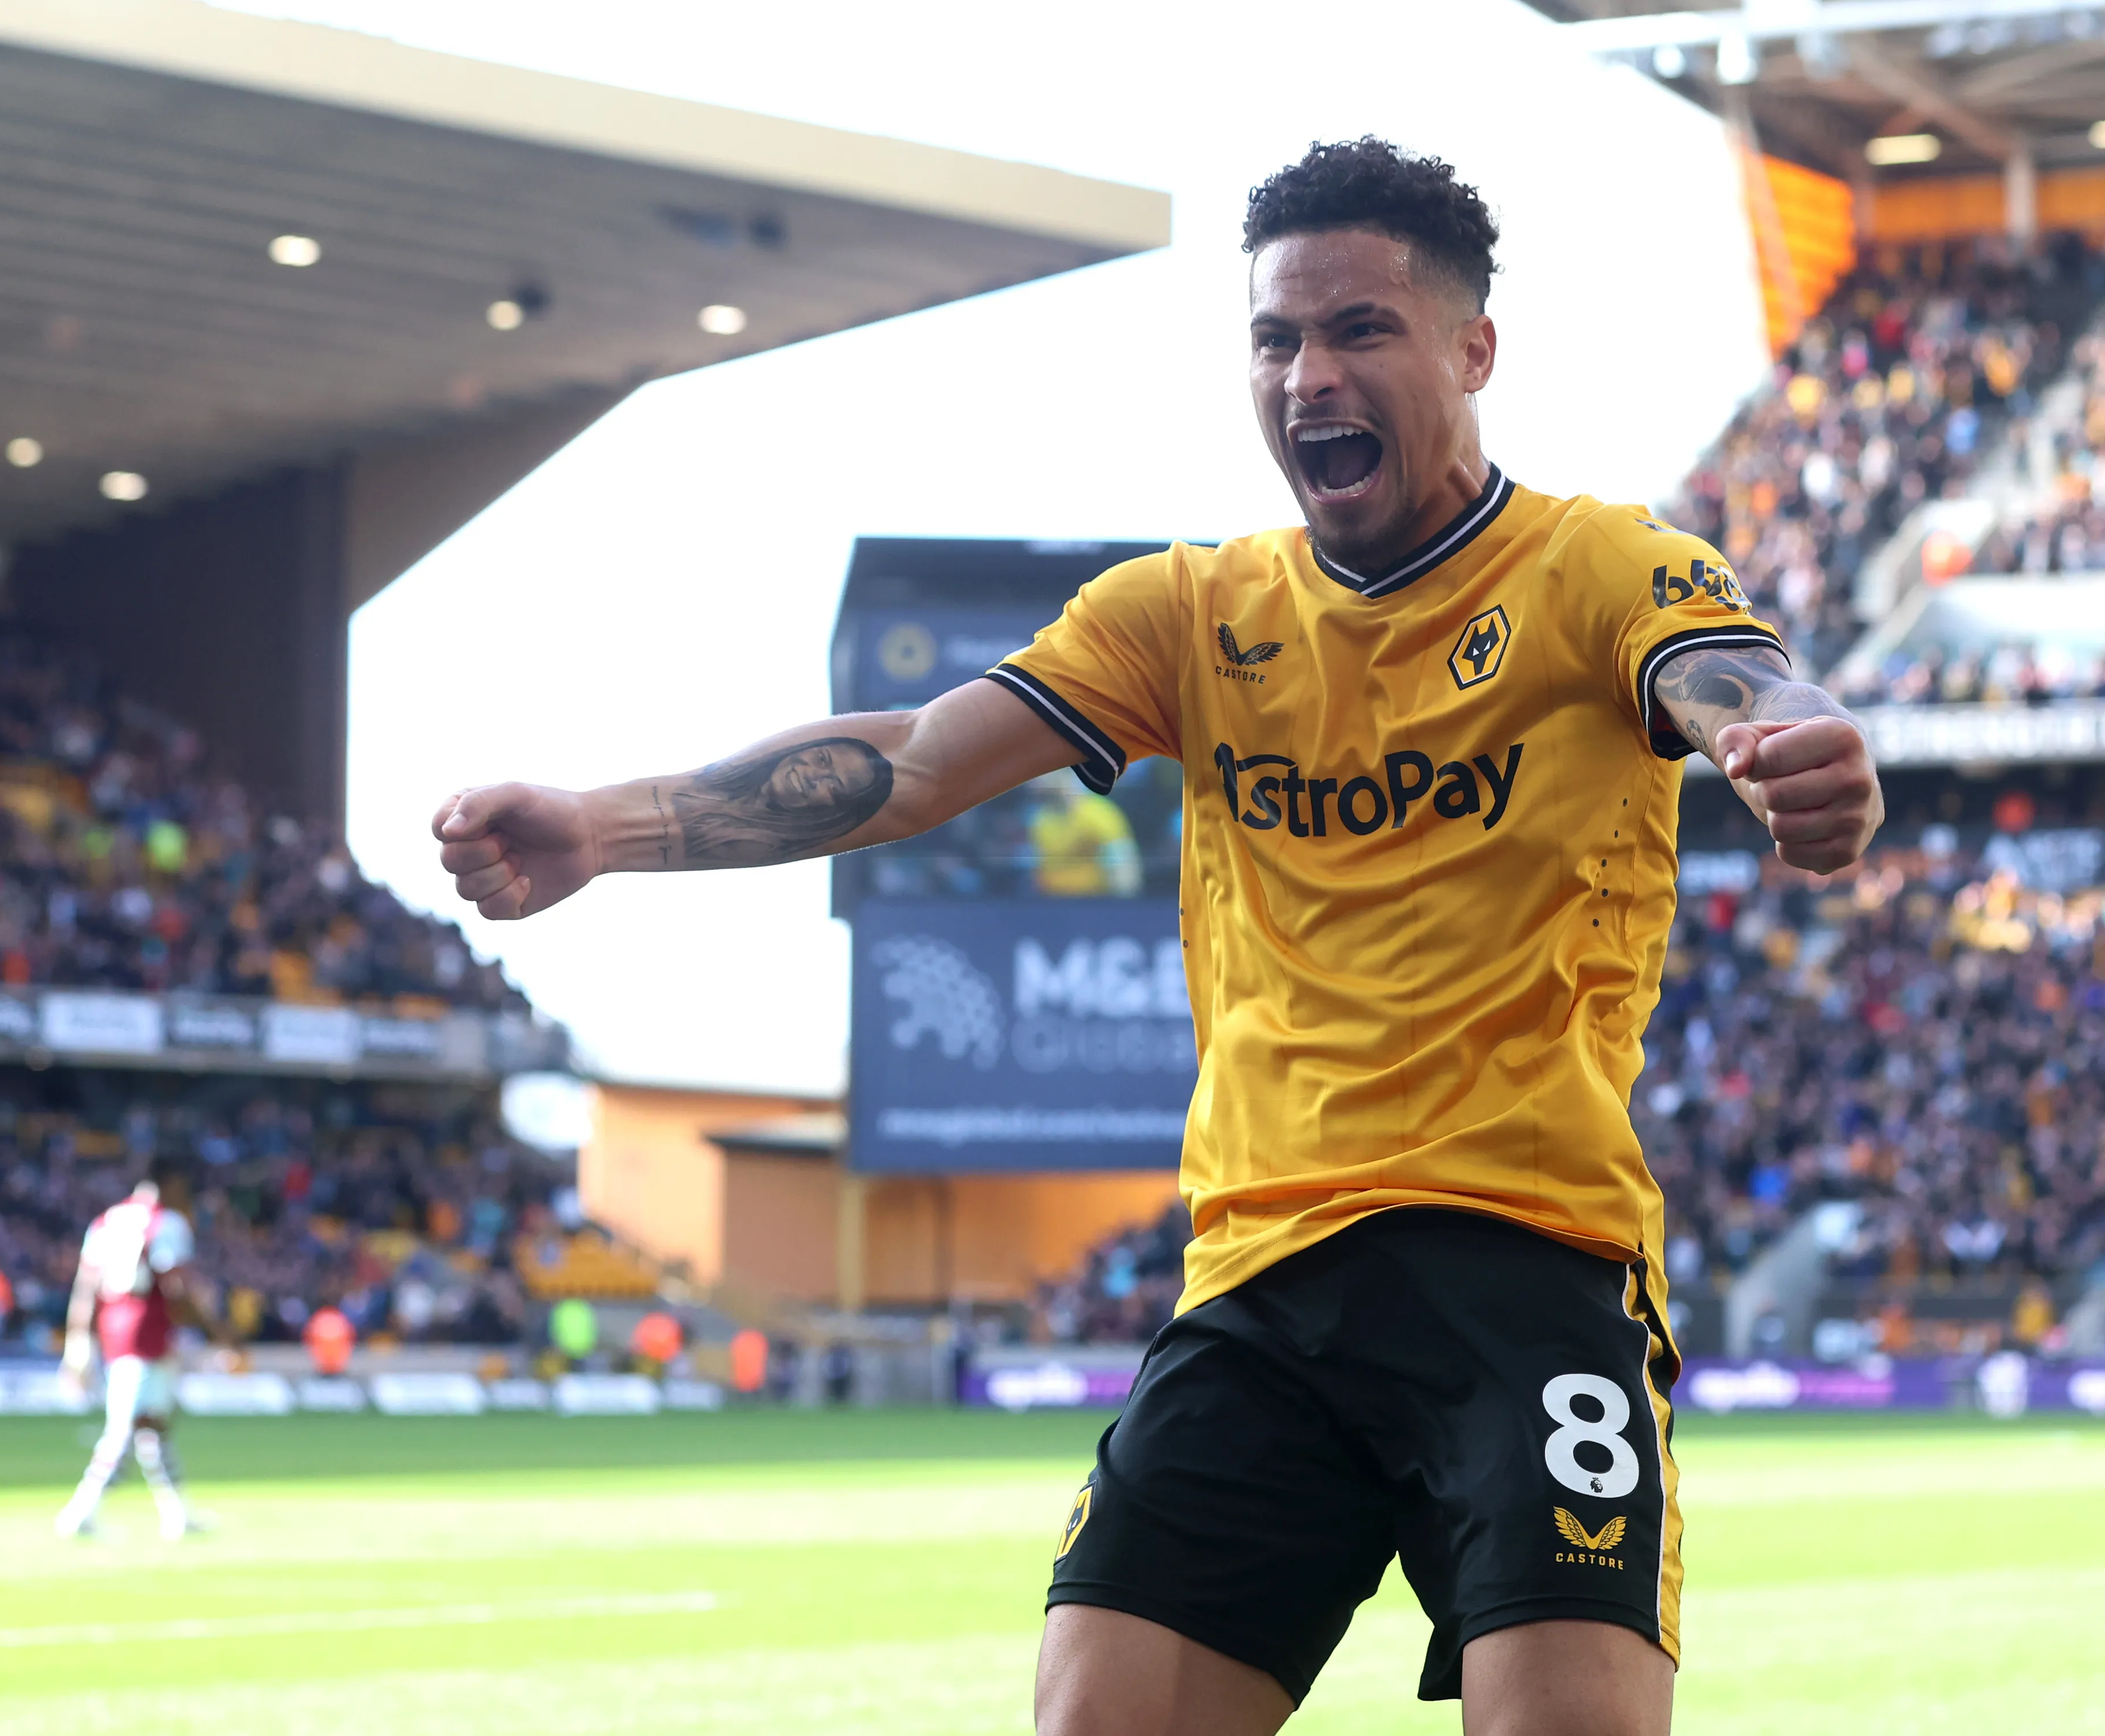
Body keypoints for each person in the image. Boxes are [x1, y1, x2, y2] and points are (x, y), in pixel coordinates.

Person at [431, 138, 1882, 1736]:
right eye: (1274, 338)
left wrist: (1792, 745)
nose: (1308, 374)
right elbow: (913, 762)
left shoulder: (1598, 565)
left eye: (1359, 331)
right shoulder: (1185, 614)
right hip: (1260, 1288)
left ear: (1472, 350)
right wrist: (598, 828)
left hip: (1524, 1275)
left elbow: (1731, 676)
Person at [56, 1157, 230, 1540]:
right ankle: (81, 1512)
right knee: (125, 1427)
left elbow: (86, 1287)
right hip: (148, 1329)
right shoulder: (166, 1222)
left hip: (114, 1328)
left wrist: (78, 1338)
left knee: (152, 1423)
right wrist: (215, 1331)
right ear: (171, 1182)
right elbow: (175, 1286)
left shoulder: (104, 1221)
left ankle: (178, 1513)